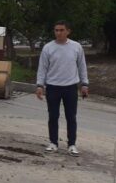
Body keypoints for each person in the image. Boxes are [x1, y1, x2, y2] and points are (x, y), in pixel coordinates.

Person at [36, 20, 89, 156]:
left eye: (61, 30)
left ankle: (72, 144)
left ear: (68, 31)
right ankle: (53, 143)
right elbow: (42, 68)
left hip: (70, 87)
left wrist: (84, 84)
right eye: (56, 30)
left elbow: (82, 66)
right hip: (53, 87)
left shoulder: (76, 47)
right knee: (53, 116)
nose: (58, 33)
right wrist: (40, 85)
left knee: (71, 117)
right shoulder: (48, 48)